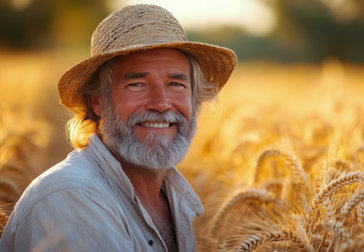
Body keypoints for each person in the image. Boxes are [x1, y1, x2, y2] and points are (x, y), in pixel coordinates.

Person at [0, 4, 236, 252]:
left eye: (176, 84)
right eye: (137, 84)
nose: (161, 103)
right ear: (98, 101)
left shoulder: (172, 198)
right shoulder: (71, 198)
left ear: (194, 99)